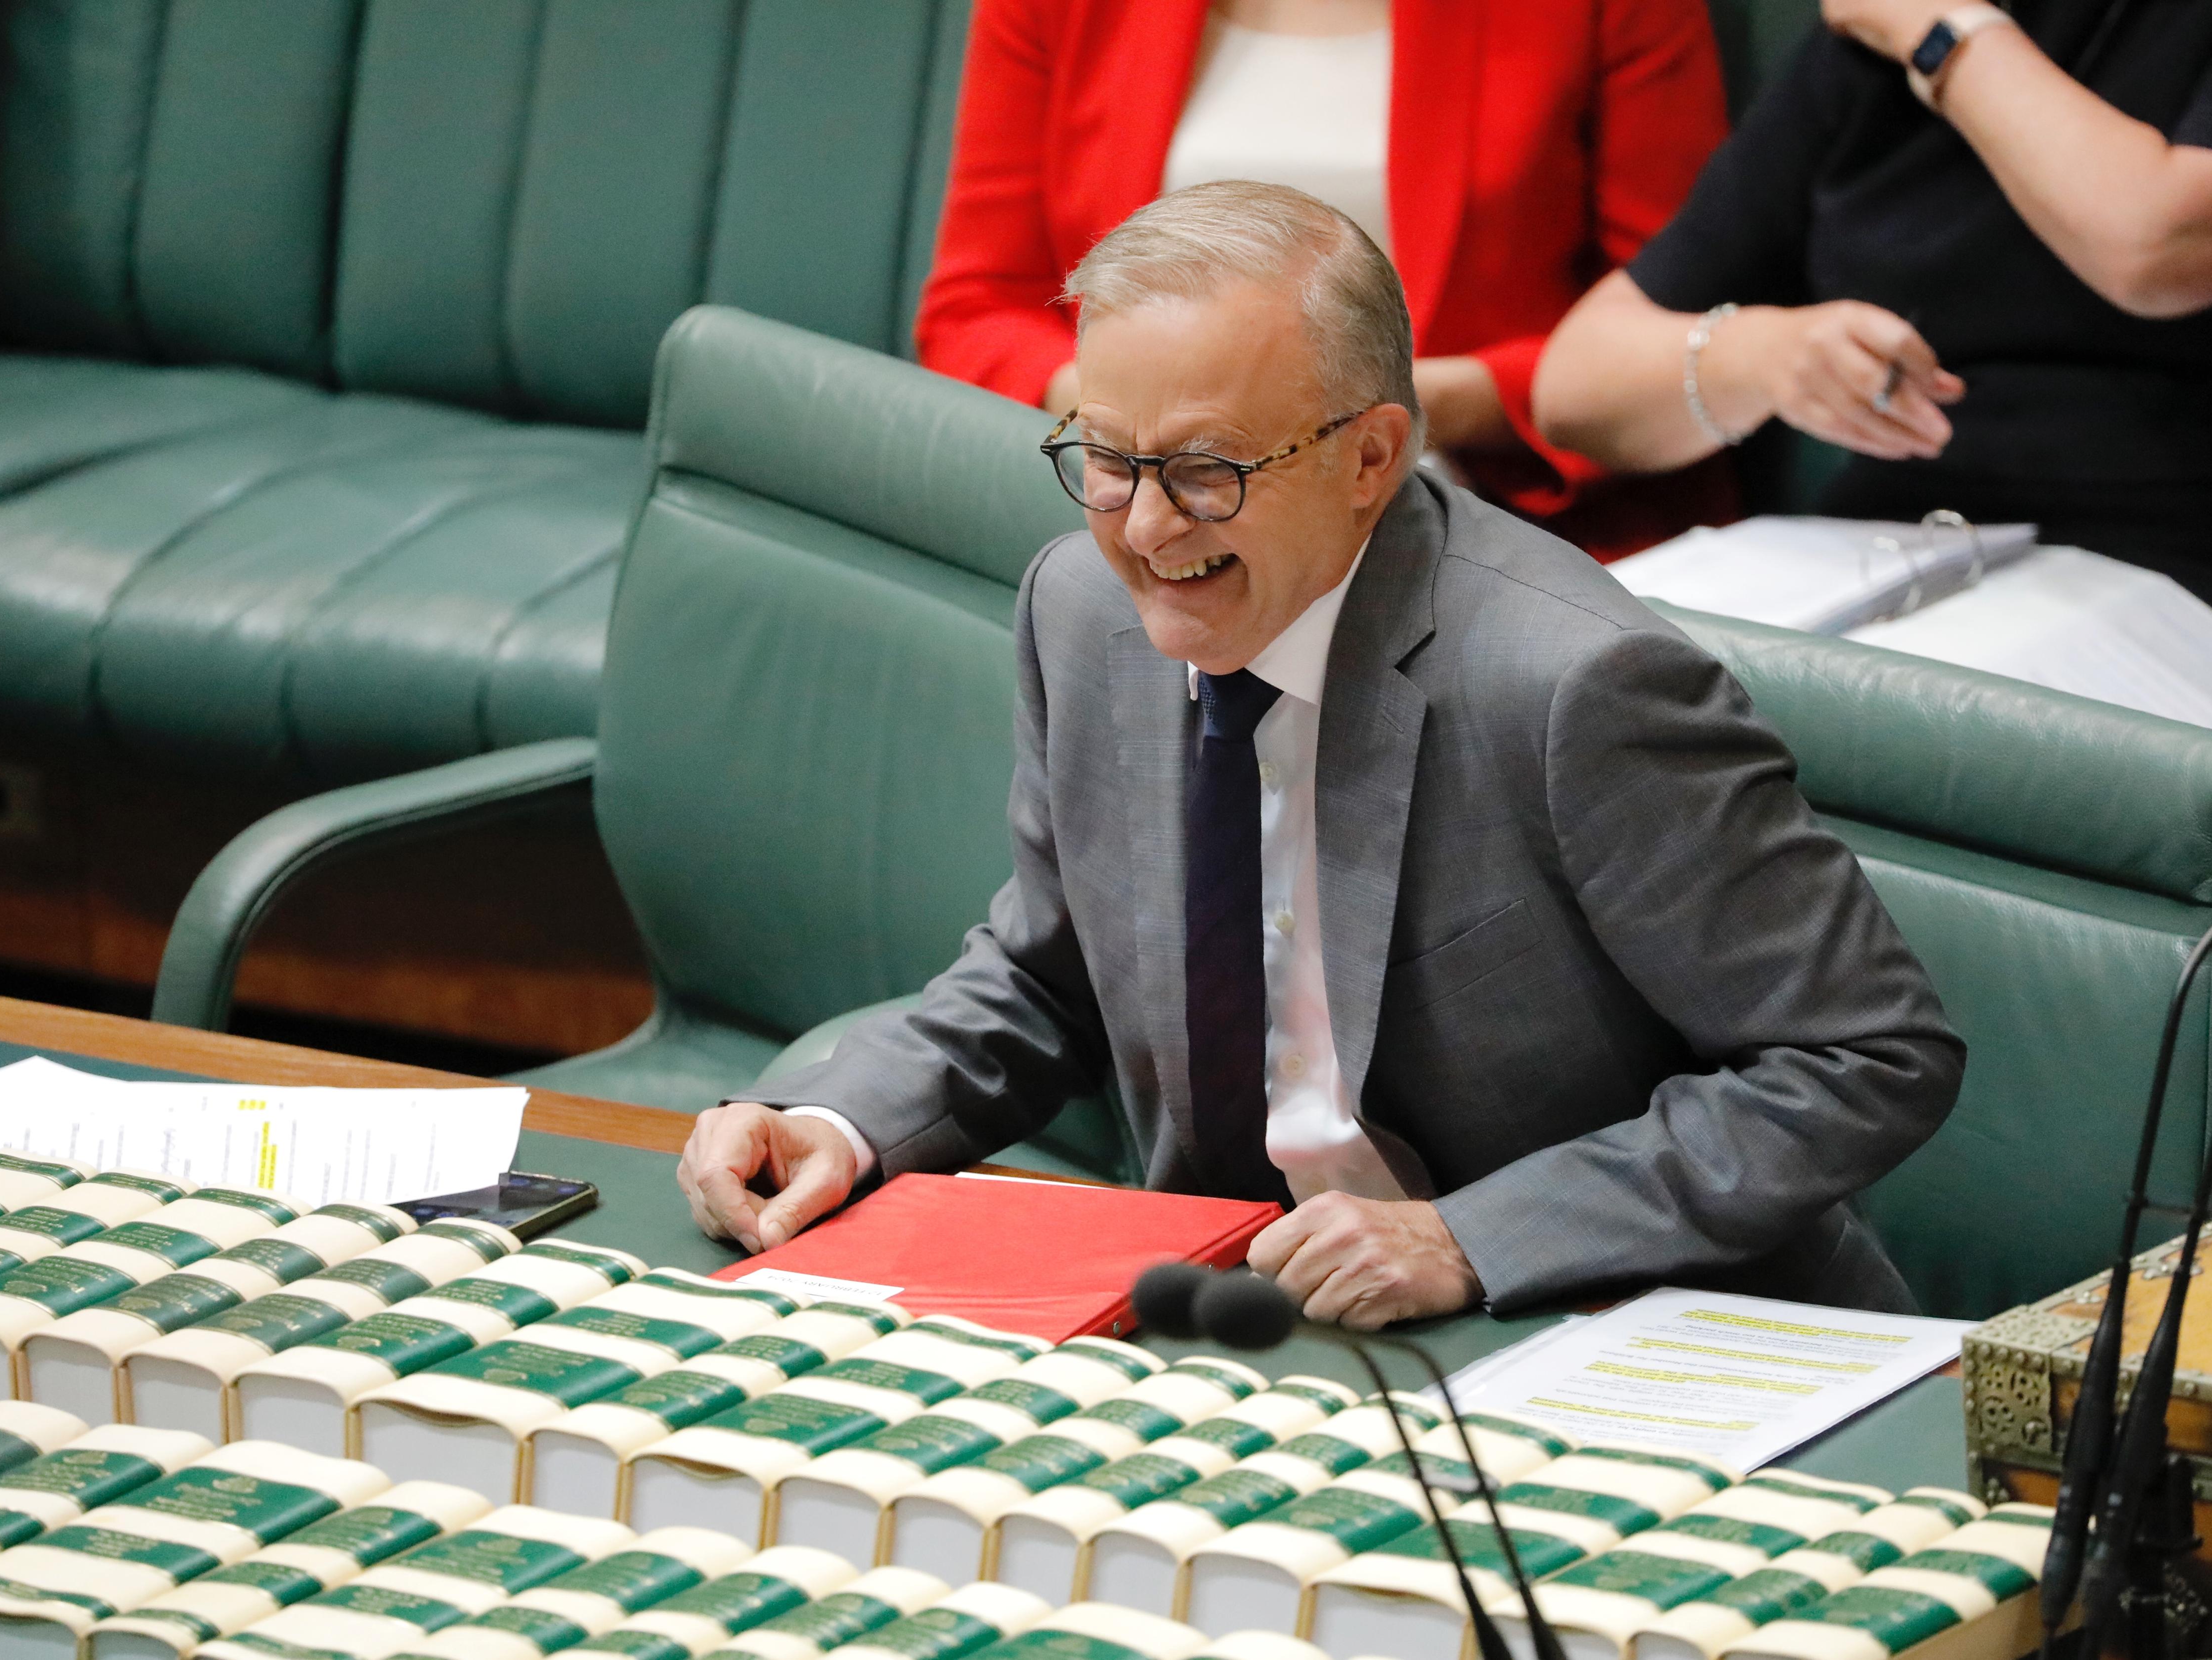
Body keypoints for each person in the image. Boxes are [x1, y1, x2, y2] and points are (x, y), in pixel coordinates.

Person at [678, 182, 1964, 1329]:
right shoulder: (1081, 611)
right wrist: (839, 1123)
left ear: (1370, 457)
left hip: (1602, 1324)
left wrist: (1471, 1238)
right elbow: (1048, 973)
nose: (1145, 528)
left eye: (1205, 471)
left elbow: (1866, 1053)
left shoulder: (1575, 685)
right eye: (1108, 460)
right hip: (1255, 1324)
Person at [1530, 0, 2212, 733]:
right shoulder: (1872, 39)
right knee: (1564, 690)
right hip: (1901, 557)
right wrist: (1761, 355)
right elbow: (1573, 387)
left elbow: (2161, 247)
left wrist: (1948, 36)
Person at [915, 0, 1736, 557]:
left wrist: (1400, 409)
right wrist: (1142, 430)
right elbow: (975, 310)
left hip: (1489, 519)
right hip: (1137, 518)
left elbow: (1682, 327)